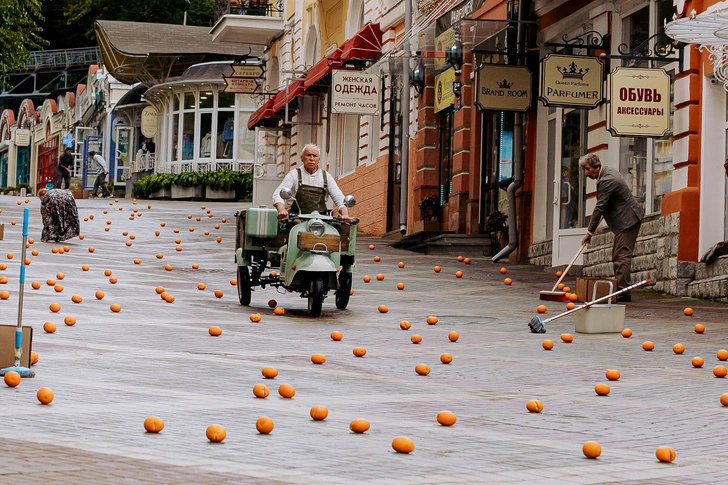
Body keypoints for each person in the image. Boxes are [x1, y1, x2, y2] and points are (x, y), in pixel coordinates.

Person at [580, 153, 644, 302]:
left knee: (622, 256)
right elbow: (606, 202)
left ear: (596, 166)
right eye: (584, 169)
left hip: (628, 220)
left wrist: (589, 232)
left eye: (587, 169)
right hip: (625, 219)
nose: (586, 173)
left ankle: (624, 291)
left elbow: (599, 207)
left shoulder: (607, 180)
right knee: (617, 256)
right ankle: (621, 288)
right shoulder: (605, 173)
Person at [273, 143, 350, 222]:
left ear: (318, 159)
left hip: (321, 220)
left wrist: (345, 214)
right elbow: (278, 194)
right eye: (308, 155)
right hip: (296, 218)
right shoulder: (294, 174)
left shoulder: (326, 176)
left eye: (314, 156)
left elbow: (338, 197)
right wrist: (281, 209)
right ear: (302, 158)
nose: (311, 158)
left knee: (336, 229)